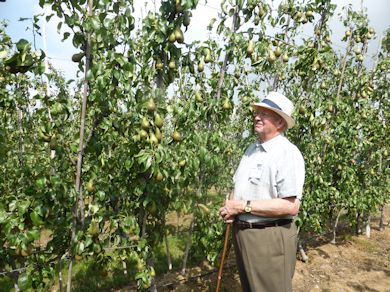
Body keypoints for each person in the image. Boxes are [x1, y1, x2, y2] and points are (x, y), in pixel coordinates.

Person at [219, 91, 305, 292]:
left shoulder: (287, 153)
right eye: (257, 112)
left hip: (269, 237)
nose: (257, 117)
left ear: (280, 123)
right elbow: (239, 186)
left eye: (264, 114)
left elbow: (291, 206)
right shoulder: (252, 149)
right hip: (244, 235)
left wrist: (243, 206)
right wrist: (231, 207)